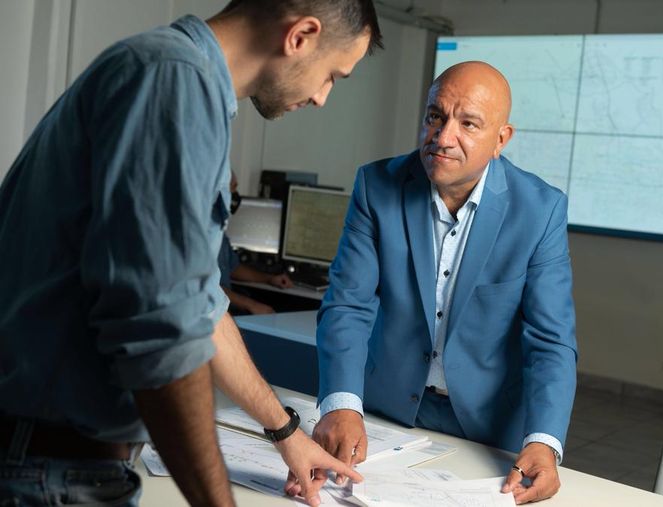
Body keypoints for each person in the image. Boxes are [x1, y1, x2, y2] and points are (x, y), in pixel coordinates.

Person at [0, 1, 381, 506]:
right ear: (301, 36)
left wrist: (286, 433)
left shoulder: (177, 79)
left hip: (62, 465)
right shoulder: (174, 82)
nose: (322, 97)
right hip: (48, 470)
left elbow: (200, 301)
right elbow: (162, 327)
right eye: (333, 75)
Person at [313, 61, 578, 505]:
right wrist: (341, 403)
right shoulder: (376, 186)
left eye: (468, 123)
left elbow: (550, 341)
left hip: (488, 430)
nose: (442, 136)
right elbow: (347, 305)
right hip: (384, 414)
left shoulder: (540, 210)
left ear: (501, 140)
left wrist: (545, 441)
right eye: (435, 116)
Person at [219, 172, 293, 314]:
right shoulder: (198, 232)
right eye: (232, 187)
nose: (235, 194)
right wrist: (250, 305)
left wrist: (269, 279)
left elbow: (233, 268)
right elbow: (205, 285)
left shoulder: (218, 228)